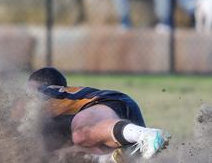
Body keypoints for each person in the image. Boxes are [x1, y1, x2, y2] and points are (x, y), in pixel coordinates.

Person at [28, 67, 170, 160]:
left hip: (111, 103)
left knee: (81, 132)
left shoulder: (41, 94)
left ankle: (146, 135)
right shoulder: (58, 115)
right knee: (62, 153)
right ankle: (110, 157)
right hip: (119, 122)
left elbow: (14, 114)